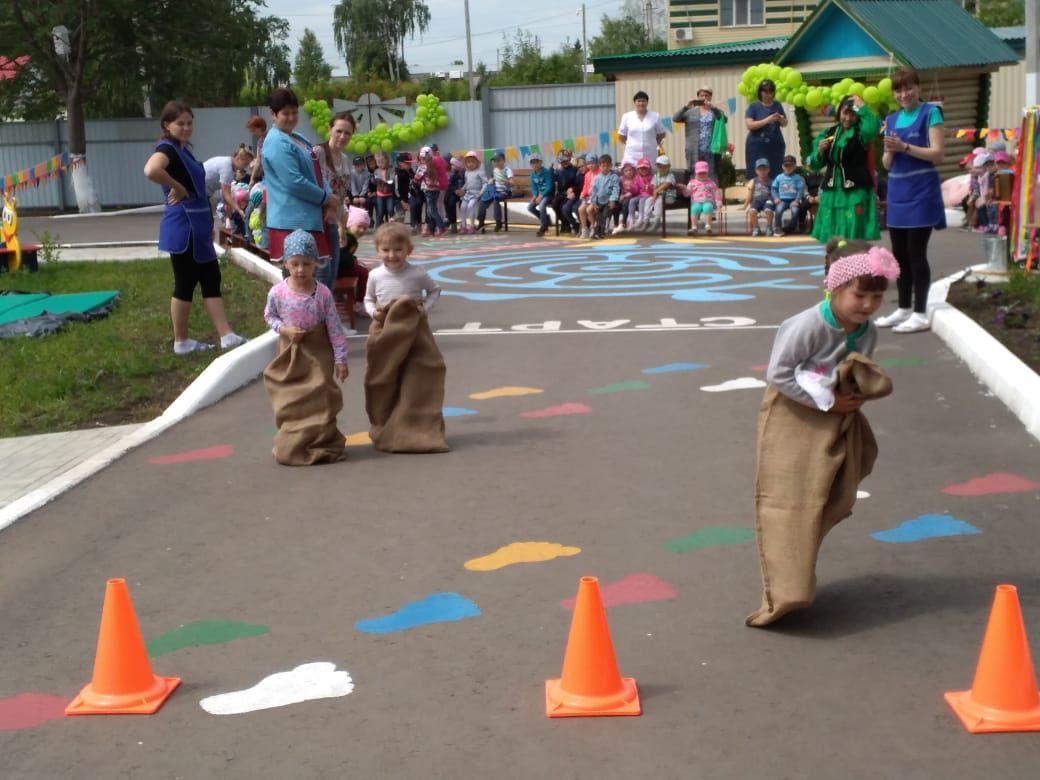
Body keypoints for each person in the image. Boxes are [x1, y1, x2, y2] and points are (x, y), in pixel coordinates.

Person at [747, 238, 900, 627]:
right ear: (834, 287)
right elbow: (778, 373)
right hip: (794, 413)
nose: (866, 305)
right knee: (790, 503)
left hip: (837, 414)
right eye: (859, 295)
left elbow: (859, 366)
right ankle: (785, 594)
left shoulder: (866, 330)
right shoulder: (807, 325)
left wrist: (854, 394)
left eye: (875, 298)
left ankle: (800, 567)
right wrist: (826, 402)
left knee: (830, 496)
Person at [144, 100, 248, 356]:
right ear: (167, 125)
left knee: (211, 277)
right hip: (183, 226)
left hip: (197, 223)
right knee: (186, 282)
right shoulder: (167, 149)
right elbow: (151, 170)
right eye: (180, 123)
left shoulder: (182, 149)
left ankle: (226, 335)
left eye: (189, 123)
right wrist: (177, 188)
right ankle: (181, 341)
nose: (186, 127)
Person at [262, 229, 348, 466]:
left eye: (306, 264)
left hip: (318, 352)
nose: (300, 270)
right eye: (295, 263)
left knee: (321, 395)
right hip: (291, 352)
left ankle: (323, 442)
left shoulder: (322, 294)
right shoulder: (278, 292)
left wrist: (341, 360)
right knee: (293, 397)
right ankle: (294, 442)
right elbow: (269, 317)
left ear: (315, 265)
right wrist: (285, 330)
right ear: (286, 264)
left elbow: (334, 328)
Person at [363, 222, 448, 453]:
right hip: (385, 330)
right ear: (378, 250)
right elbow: (368, 299)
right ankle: (385, 425)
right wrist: (374, 313)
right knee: (385, 378)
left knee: (417, 376)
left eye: (398, 250)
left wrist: (423, 310)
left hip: (414, 331)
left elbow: (435, 290)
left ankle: (417, 428)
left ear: (409, 250)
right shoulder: (374, 275)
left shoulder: (417, 273)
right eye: (386, 250)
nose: (392, 255)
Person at [879, 68, 946, 334]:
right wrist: (891, 152)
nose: (903, 94)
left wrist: (905, 147)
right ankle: (903, 308)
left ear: (918, 87)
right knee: (899, 255)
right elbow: (885, 162)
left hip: (922, 191)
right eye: (898, 90)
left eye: (908, 88)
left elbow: (938, 154)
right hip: (897, 192)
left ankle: (920, 312)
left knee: (916, 253)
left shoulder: (931, 113)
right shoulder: (892, 119)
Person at [260, 88, 339, 270]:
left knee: (320, 281)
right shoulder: (276, 142)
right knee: (302, 281)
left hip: (311, 217)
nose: (291, 117)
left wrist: (328, 200)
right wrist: (325, 198)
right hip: (292, 222)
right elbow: (293, 182)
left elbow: (316, 171)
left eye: (294, 112)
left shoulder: (298, 137)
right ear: (273, 114)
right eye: (285, 113)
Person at [807, 95, 880, 245]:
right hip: (832, 192)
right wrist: (820, 152)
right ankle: (835, 265)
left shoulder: (862, 134)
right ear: (839, 112)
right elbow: (813, 164)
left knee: (852, 233)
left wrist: (862, 107)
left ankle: (853, 265)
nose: (848, 118)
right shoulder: (828, 133)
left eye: (853, 114)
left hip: (855, 191)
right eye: (845, 113)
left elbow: (873, 128)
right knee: (833, 235)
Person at [314, 111, 355, 289]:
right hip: (318, 219)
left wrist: (341, 226)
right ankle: (317, 314)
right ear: (330, 129)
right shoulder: (318, 152)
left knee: (332, 271)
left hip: (335, 221)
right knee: (322, 271)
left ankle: (327, 313)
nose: (342, 136)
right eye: (339, 131)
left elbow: (342, 195)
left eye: (347, 133)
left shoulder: (345, 160)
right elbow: (312, 184)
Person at [673, 86, 727, 182]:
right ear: (697, 97)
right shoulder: (690, 112)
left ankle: (712, 195)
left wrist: (713, 107)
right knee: (695, 173)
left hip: (711, 150)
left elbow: (724, 119)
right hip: (694, 150)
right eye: (701, 95)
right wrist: (686, 107)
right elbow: (675, 118)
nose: (704, 98)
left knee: (711, 174)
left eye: (706, 95)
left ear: (710, 97)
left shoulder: (714, 111)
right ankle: (695, 195)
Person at [204, 145, 254, 233]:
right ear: (238, 158)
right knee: (207, 224)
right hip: (199, 193)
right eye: (245, 164)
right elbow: (226, 194)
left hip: (203, 192)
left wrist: (229, 214)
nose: (245, 167)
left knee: (207, 223)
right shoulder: (227, 168)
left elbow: (228, 193)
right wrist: (239, 210)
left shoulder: (228, 163)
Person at [744, 79, 788, 179]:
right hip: (757, 145)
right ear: (760, 92)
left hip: (775, 144)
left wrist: (781, 119)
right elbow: (749, 125)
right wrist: (767, 120)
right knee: (757, 172)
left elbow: (785, 123)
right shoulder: (753, 106)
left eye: (771, 92)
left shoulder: (777, 105)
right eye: (765, 92)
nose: (768, 95)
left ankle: (774, 192)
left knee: (775, 171)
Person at [617, 91, 667, 166]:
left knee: (650, 175)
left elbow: (662, 133)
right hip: (631, 155)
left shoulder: (655, 116)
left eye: (643, 101)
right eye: (638, 101)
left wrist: (652, 141)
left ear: (647, 102)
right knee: (630, 175)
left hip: (650, 154)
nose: (641, 103)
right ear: (634, 103)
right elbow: (621, 135)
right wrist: (632, 143)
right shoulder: (627, 116)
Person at [477, 151, 513, 232]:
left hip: (505, 192)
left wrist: (506, 181)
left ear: (503, 160)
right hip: (495, 190)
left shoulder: (507, 170)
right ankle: (481, 222)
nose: (496, 163)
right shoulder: (495, 170)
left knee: (495, 198)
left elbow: (512, 183)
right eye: (495, 161)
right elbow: (492, 178)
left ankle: (498, 222)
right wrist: (491, 180)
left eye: (498, 160)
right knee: (482, 200)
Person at [771, 155, 806, 237]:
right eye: (786, 165)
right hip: (782, 200)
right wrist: (776, 198)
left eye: (791, 165)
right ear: (782, 166)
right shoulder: (779, 177)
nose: (788, 167)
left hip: (793, 200)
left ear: (795, 166)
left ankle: (791, 227)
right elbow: (773, 189)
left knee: (795, 211)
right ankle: (777, 227)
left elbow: (800, 190)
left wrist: (797, 200)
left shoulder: (798, 178)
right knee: (778, 210)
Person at [685, 160, 722, 236]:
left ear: (707, 173)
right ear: (696, 173)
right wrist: (684, 189)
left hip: (708, 201)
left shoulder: (711, 183)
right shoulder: (692, 183)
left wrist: (719, 203)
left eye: (704, 173)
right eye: (700, 173)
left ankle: (708, 226)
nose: (702, 175)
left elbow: (716, 193)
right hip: (697, 201)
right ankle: (694, 227)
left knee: (708, 208)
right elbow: (687, 193)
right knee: (694, 209)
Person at [587, 154, 620, 240]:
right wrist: (593, 202)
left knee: (605, 216)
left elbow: (615, 189)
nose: (605, 168)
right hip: (599, 201)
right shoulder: (597, 178)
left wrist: (613, 200)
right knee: (598, 217)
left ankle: (602, 232)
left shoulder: (614, 177)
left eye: (607, 166)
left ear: (611, 166)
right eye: (603, 166)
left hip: (608, 202)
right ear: (599, 167)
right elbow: (594, 191)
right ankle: (596, 232)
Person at [418, 145, 448, 237]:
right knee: (430, 210)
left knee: (432, 210)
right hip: (436, 190)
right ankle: (431, 228)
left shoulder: (425, 166)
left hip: (430, 190)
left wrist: (414, 183)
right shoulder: (434, 163)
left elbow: (417, 177)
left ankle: (441, 227)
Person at [643, 154, 676, 232]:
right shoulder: (656, 175)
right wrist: (654, 194)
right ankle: (646, 219)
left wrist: (656, 192)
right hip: (658, 195)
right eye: (659, 166)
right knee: (648, 200)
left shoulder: (670, 175)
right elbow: (654, 185)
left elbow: (666, 184)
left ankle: (657, 220)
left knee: (658, 202)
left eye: (664, 166)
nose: (661, 169)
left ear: (669, 166)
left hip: (668, 196)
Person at [459, 150, 488, 234]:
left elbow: (485, 183)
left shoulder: (480, 171)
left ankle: (472, 225)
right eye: (468, 162)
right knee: (462, 207)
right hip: (468, 193)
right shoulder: (467, 172)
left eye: (472, 162)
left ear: (477, 162)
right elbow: (467, 183)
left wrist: (481, 192)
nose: (470, 164)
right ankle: (463, 226)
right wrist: (462, 189)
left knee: (470, 206)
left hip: (476, 193)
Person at [744, 158, 775, 237]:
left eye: (764, 169)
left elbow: (775, 193)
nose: (762, 172)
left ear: (768, 170)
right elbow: (750, 194)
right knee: (752, 211)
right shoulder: (753, 181)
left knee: (768, 210)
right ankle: (756, 228)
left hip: (768, 199)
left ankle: (769, 227)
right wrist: (745, 206)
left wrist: (775, 200)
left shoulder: (772, 181)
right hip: (757, 200)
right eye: (760, 169)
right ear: (756, 171)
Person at [551, 150, 580, 234]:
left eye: (566, 161)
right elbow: (553, 179)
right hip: (561, 193)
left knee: (563, 207)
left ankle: (574, 225)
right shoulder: (558, 170)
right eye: (563, 161)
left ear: (569, 160)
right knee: (554, 205)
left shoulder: (574, 169)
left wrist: (572, 189)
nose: (565, 163)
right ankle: (565, 223)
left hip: (571, 193)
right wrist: (551, 170)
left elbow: (577, 183)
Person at [526, 152, 554, 237]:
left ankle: (543, 226)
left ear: (541, 162)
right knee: (530, 207)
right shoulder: (533, 174)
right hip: (539, 195)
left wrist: (541, 196)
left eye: (536, 162)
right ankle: (546, 220)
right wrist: (535, 195)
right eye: (532, 163)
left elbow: (549, 186)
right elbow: (534, 187)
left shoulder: (546, 172)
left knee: (542, 206)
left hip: (548, 194)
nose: (535, 164)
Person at [576, 152, 599, 238]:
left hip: (597, 197)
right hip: (589, 197)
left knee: (589, 209)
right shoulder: (587, 174)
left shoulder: (600, 173)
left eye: (593, 163)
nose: (591, 165)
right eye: (589, 163)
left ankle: (594, 227)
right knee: (580, 209)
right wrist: (583, 193)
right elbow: (585, 186)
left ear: (597, 163)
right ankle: (584, 228)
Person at [371, 151, 396, 226]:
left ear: (387, 161)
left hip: (389, 194)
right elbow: (375, 181)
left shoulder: (391, 170)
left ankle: (392, 226)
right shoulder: (377, 171)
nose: (380, 164)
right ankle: (378, 227)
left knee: (390, 210)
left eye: (382, 162)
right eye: (378, 163)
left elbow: (392, 181)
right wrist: (374, 180)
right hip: (380, 195)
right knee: (380, 211)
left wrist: (385, 180)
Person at [613, 162, 638, 234]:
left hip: (633, 195)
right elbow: (619, 188)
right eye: (626, 171)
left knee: (625, 202)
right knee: (615, 204)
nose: (629, 172)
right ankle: (616, 224)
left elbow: (634, 191)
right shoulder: (621, 178)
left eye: (630, 170)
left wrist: (624, 196)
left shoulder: (635, 178)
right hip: (623, 195)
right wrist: (620, 196)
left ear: (633, 171)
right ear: (623, 172)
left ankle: (624, 222)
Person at [245, 115, 267, 187]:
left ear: (261, 127)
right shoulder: (260, 141)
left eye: (253, 130)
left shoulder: (272, 137)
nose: (253, 133)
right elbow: (258, 161)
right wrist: (252, 178)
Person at [445, 157, 465, 233]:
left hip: (464, 192)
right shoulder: (453, 174)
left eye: (454, 165)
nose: (452, 167)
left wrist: (463, 191)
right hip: (455, 193)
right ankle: (452, 223)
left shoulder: (464, 173)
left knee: (462, 204)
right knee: (450, 202)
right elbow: (450, 185)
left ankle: (464, 225)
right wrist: (455, 191)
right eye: (451, 165)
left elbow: (467, 182)